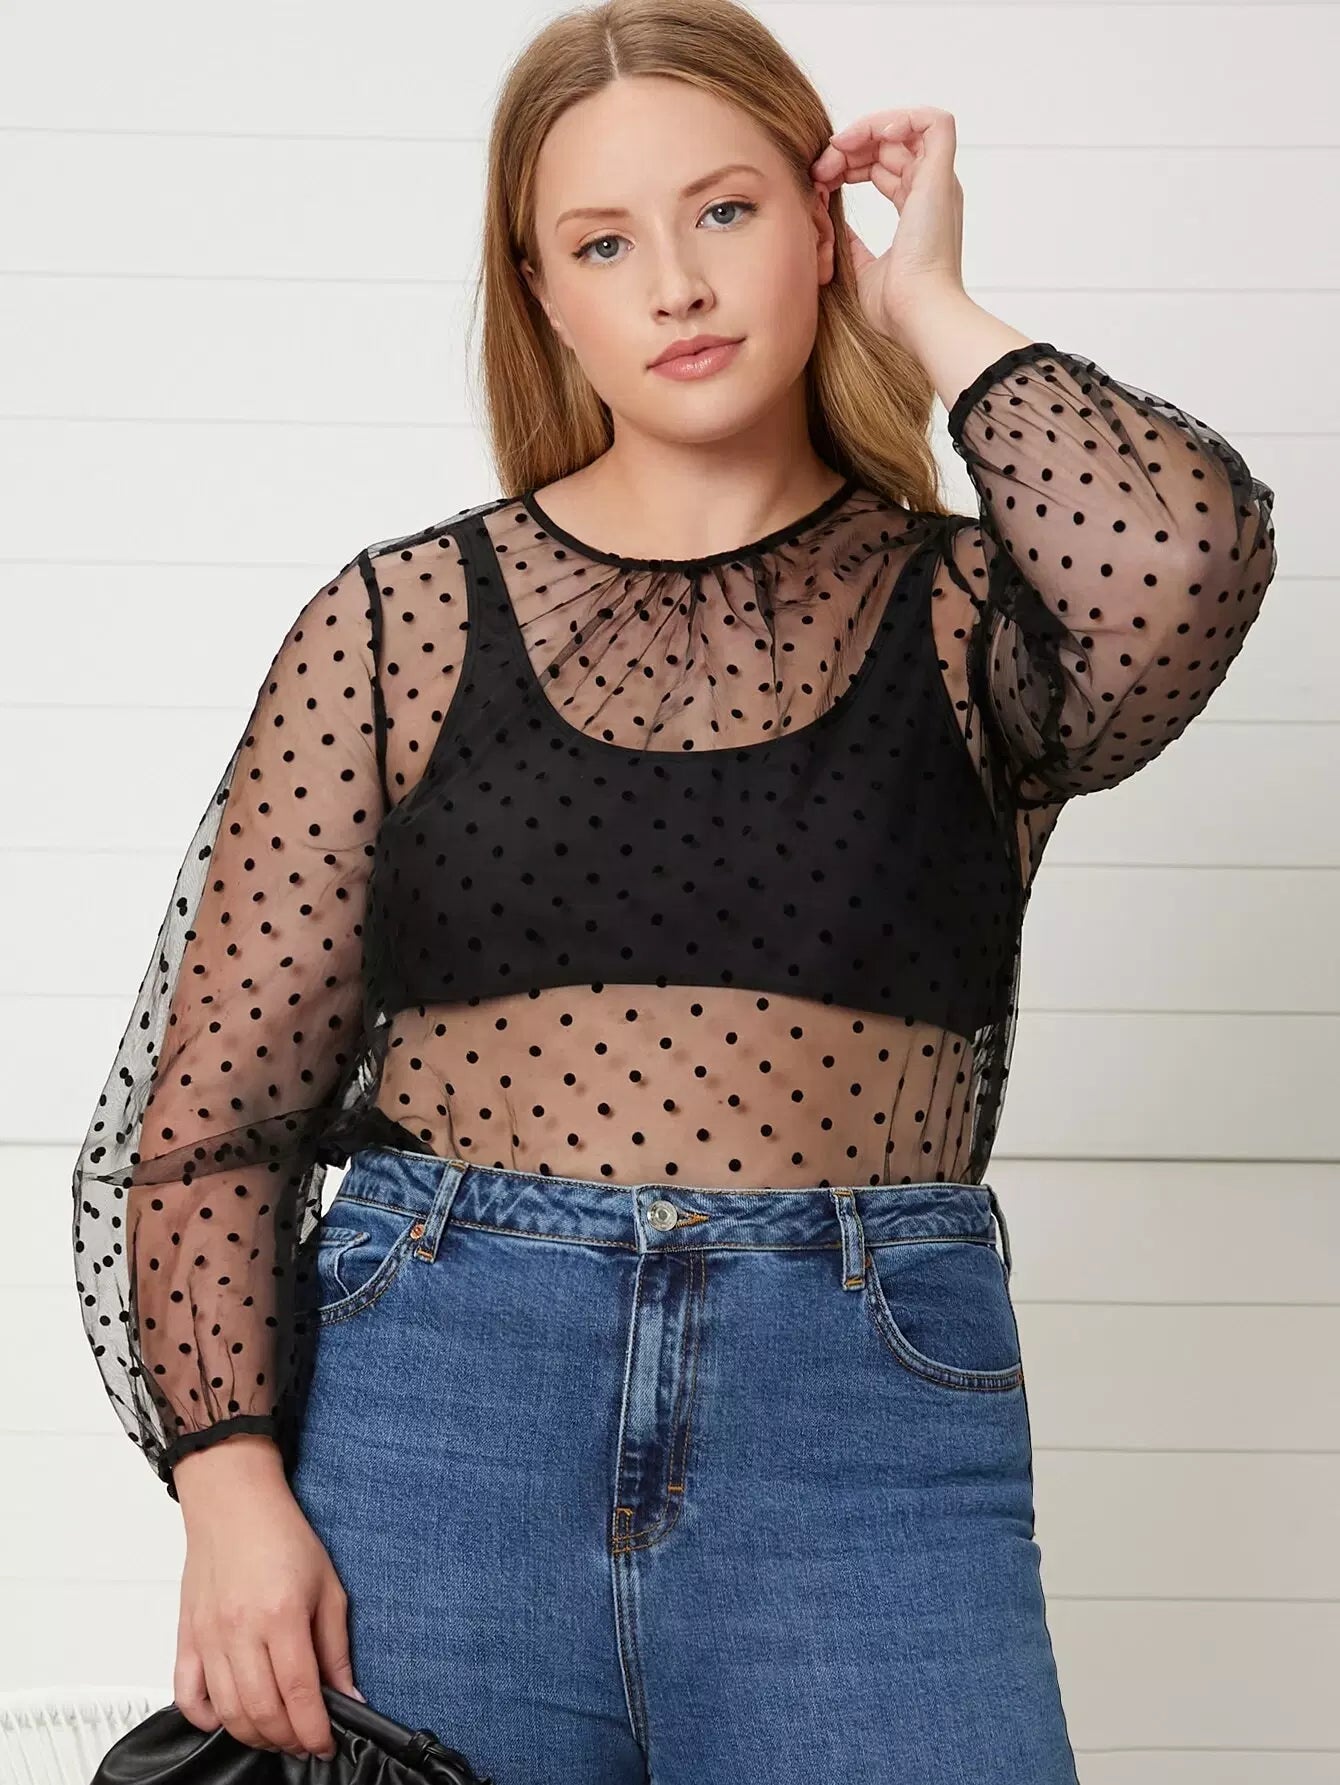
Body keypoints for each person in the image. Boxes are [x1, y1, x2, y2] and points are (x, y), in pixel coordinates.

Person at [70, 2, 1277, 1780]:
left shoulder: (973, 623)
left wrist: (933, 306)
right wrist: (230, 1492)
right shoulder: (397, 625)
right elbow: (210, 1124)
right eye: (603, 243)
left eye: (725, 211)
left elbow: (1181, 559)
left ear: (819, 227)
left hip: (863, 1434)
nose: (678, 286)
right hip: (438, 1422)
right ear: (541, 293)